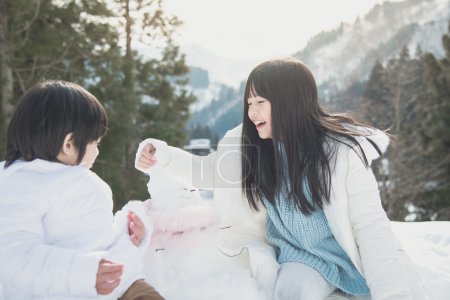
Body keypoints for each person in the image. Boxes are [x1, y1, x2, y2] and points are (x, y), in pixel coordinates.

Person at [135, 57, 427, 300]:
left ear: (290, 102)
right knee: (292, 294)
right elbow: (208, 171)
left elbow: (370, 225)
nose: (252, 112)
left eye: (260, 101)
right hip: (300, 258)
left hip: (347, 256)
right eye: (249, 103)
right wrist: (162, 155)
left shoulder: (340, 154)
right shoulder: (250, 147)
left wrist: (393, 292)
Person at [0, 81, 164, 300]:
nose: (97, 151)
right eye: (94, 142)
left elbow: (91, 237)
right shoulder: (20, 186)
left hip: (124, 285)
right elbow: (15, 258)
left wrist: (127, 236)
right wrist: (84, 272)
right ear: (69, 144)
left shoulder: (81, 181)